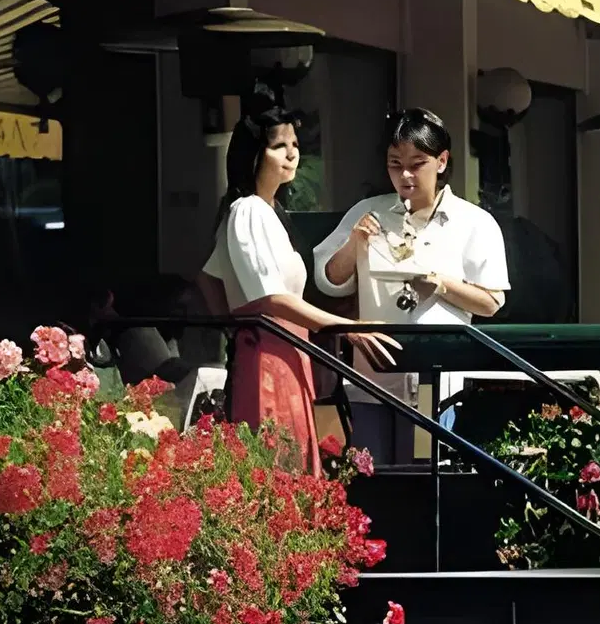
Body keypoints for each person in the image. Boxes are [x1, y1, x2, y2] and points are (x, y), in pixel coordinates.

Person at [201, 106, 400, 474]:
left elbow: (211, 276)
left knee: (291, 463)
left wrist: (233, 325)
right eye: (279, 145)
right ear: (255, 153)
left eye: (295, 144)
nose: (292, 153)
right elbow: (271, 298)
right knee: (277, 467)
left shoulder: (267, 210)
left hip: (285, 349)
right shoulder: (247, 211)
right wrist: (348, 329)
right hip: (267, 352)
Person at [314, 108, 509, 463]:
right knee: (371, 477)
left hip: (438, 381)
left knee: (428, 474)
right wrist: (355, 242)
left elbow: (492, 301)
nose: (405, 175)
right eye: (394, 164)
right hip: (374, 378)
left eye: (417, 163)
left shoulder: (473, 222)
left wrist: (441, 284)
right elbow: (329, 280)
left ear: (441, 161)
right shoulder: (368, 212)